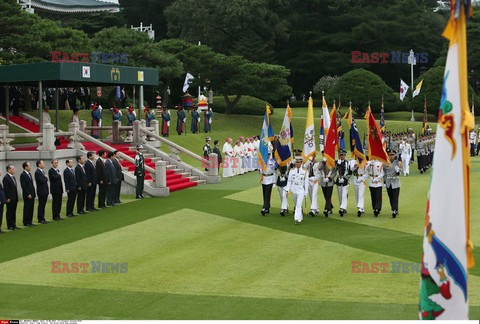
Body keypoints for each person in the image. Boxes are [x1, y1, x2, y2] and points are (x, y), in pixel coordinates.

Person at [285, 156, 309, 225]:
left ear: (301, 163)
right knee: (296, 204)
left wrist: (306, 192)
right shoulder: (292, 170)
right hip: (294, 188)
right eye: (296, 162)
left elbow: (306, 182)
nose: (297, 164)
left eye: (299, 162)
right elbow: (289, 181)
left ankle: (296, 218)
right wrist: (287, 189)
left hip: (301, 189)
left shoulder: (305, 171)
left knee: (298, 204)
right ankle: (300, 217)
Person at [384, 149, 402, 218]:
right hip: (388, 182)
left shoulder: (397, 162)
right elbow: (384, 172)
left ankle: (395, 209)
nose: (391, 156)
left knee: (395, 196)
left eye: (392, 155)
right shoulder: (385, 163)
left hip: (395, 182)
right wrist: (384, 180)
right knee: (390, 197)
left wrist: (398, 171)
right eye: (390, 155)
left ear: (395, 155)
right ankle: (393, 208)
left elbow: (400, 171)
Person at [335, 149, 351, 217]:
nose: (341, 156)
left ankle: (342, 208)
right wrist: (337, 165)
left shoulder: (348, 162)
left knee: (344, 195)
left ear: (345, 155)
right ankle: (343, 207)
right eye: (340, 155)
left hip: (345, 181)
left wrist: (345, 178)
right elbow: (334, 169)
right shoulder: (336, 162)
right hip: (339, 180)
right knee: (340, 195)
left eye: (342, 155)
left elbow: (350, 172)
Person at [3, 164, 19, 230]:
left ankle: (13, 224)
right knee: (9, 211)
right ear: (9, 169)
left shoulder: (13, 177)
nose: (14, 170)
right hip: (10, 198)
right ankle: (9, 225)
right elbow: (6, 189)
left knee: (13, 211)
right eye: (12, 169)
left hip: (14, 197)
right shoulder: (6, 178)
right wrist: (7, 197)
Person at [20, 161, 36, 227]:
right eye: (29, 166)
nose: (30, 167)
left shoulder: (29, 174)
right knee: (27, 208)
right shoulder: (23, 175)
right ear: (26, 167)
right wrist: (28, 193)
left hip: (32, 194)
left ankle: (30, 221)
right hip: (27, 195)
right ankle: (25, 222)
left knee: (31, 208)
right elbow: (23, 186)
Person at [34, 160, 49, 224]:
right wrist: (46, 178)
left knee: (43, 205)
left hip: (45, 190)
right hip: (41, 191)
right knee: (41, 205)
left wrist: (45, 178)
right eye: (42, 163)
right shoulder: (37, 172)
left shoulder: (42, 172)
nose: (43, 164)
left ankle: (42, 217)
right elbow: (41, 180)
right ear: (39, 165)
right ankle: (40, 218)